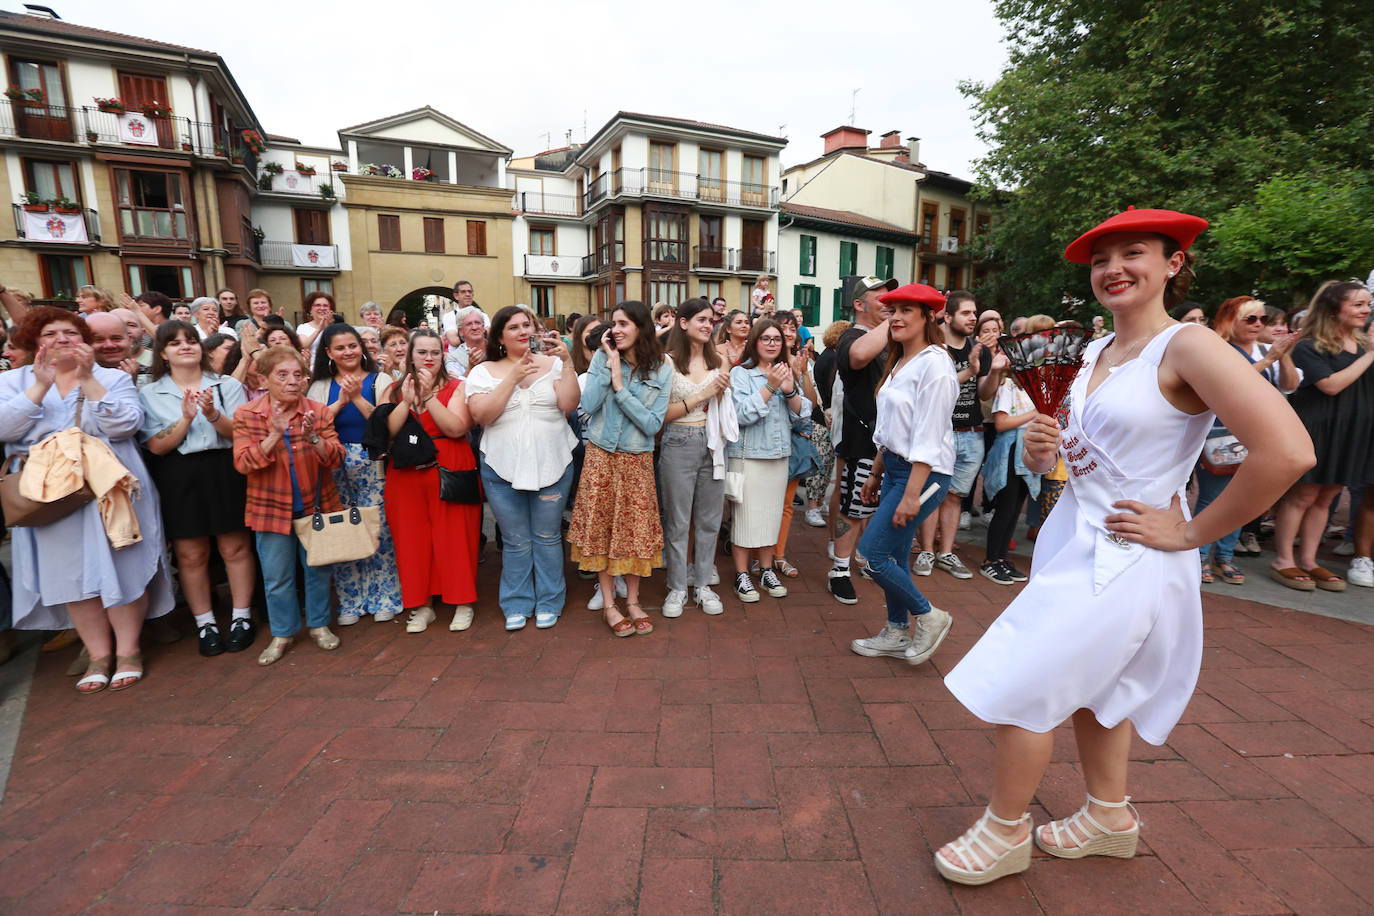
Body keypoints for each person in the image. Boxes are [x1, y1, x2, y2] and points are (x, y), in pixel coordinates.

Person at [935, 208, 1314, 886]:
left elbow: (1288, 451)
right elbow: (1087, 447)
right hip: (1073, 535)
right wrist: (1040, 443)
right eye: (1101, 258)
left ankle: (1004, 829)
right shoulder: (1095, 353)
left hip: (1130, 553)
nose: (1113, 268)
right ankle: (1109, 817)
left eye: (1133, 252)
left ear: (1174, 264)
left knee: (1024, 679)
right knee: (1097, 689)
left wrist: (1194, 533)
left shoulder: (1189, 347)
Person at [0, 307, 176, 692]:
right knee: (70, 574)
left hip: (109, 489)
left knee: (123, 565)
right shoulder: (13, 381)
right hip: (48, 496)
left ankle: (128, 649)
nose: (62, 339)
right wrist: (41, 386)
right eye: (51, 334)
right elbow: (4, 427)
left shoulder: (111, 377)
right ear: (34, 342)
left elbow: (125, 424)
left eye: (70, 333)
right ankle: (98, 654)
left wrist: (87, 381)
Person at [849, 283, 958, 663]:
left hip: (923, 476)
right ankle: (897, 632)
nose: (895, 317)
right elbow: (894, 428)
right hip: (896, 469)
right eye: (892, 310)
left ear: (929, 316)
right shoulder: (901, 360)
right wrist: (877, 472)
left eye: (906, 311)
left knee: (871, 557)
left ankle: (929, 616)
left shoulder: (936, 365)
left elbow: (927, 438)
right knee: (891, 558)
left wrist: (911, 494)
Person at [139, 321, 256, 656]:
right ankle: (205, 623)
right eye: (175, 343)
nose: (185, 346)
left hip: (224, 468)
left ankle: (241, 617)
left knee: (234, 547)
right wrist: (187, 418)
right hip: (178, 472)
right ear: (163, 352)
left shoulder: (225, 386)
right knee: (192, 554)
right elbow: (157, 447)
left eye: (191, 341)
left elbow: (239, 433)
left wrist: (212, 414)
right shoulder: (149, 392)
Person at [466, 307, 580, 629]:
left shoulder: (554, 364)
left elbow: (569, 405)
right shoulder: (483, 371)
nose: (521, 331)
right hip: (501, 467)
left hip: (554, 462)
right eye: (513, 327)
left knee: (546, 536)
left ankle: (549, 601)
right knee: (516, 540)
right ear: (500, 336)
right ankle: (516, 602)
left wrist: (569, 365)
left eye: (525, 325)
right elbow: (482, 417)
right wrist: (513, 378)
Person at [233, 346, 345, 666]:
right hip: (269, 509)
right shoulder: (248, 414)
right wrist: (273, 436)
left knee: (318, 571)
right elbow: (243, 464)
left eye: (298, 374)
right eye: (282, 375)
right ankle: (282, 633)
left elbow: (337, 459)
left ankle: (319, 626)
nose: (292, 381)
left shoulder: (318, 412)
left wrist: (315, 440)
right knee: (277, 577)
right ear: (264, 379)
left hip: (316, 506)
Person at [568, 301, 672, 636]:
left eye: (624, 323)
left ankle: (634, 601)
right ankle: (610, 604)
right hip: (601, 455)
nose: (616, 329)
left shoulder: (662, 367)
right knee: (601, 530)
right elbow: (588, 406)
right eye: (614, 323)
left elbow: (652, 424)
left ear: (642, 327)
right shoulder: (601, 357)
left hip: (636, 457)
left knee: (634, 533)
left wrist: (620, 387)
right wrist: (610, 367)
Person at [1270, 280, 1374, 591]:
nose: (1365, 310)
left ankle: (1309, 560)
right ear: (1333, 308)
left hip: (1353, 432)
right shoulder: (1308, 345)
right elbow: (1330, 385)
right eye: (1357, 304)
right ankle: (1283, 559)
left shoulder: (1362, 344)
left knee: (1328, 496)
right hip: (1318, 429)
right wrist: (1371, 355)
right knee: (1303, 495)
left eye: (1367, 304)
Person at [382, 329, 481, 632]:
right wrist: (407, 402)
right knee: (412, 539)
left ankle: (462, 601)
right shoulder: (395, 390)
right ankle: (422, 604)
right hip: (405, 471)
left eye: (435, 352)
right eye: (422, 352)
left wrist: (428, 399)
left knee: (454, 535)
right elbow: (386, 432)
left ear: (443, 355)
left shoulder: (456, 387)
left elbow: (456, 428)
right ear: (410, 355)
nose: (428, 358)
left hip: (448, 464)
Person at [307, 323, 403, 624]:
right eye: (340, 348)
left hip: (372, 460)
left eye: (353, 345)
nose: (348, 352)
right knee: (341, 528)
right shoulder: (320, 386)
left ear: (361, 347)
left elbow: (385, 425)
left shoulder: (381, 379)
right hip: (334, 461)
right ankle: (351, 600)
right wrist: (341, 400)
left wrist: (358, 397)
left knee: (377, 527)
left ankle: (386, 595)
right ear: (328, 353)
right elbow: (316, 425)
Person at [916, 291, 1002, 580]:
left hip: (971, 432)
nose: (973, 318)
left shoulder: (980, 349)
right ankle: (927, 551)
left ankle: (946, 553)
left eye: (974, 312)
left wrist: (996, 373)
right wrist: (970, 371)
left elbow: (984, 394)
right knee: (932, 495)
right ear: (948, 316)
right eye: (966, 313)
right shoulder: (931, 348)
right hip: (940, 432)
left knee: (954, 497)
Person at [727, 318, 811, 602]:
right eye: (766, 338)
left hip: (778, 455)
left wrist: (789, 389)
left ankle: (765, 569)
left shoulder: (786, 371)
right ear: (755, 342)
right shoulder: (741, 374)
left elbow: (802, 416)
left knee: (771, 517)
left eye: (777, 339)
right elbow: (739, 416)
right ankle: (741, 574)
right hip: (748, 456)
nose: (772, 343)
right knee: (746, 518)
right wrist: (771, 387)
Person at [658, 298, 732, 617]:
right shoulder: (666, 362)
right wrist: (701, 396)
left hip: (714, 442)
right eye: (701, 319)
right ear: (683, 323)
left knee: (709, 519)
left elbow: (728, 409)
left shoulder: (720, 362)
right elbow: (660, 415)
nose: (708, 325)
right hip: (678, 441)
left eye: (711, 320)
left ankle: (702, 584)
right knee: (677, 521)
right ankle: (677, 587)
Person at [828, 275, 898, 604]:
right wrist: (894, 321)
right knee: (852, 506)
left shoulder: (887, 336)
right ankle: (839, 570)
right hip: (860, 435)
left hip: (884, 437)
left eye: (892, 297)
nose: (889, 302)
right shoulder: (852, 335)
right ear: (859, 304)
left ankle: (859, 557)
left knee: (865, 504)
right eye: (881, 297)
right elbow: (857, 357)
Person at [980, 314, 1055, 585]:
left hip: (1030, 453)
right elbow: (1001, 423)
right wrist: (1036, 412)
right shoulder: (1011, 382)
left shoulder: (1043, 381)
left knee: (1016, 509)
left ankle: (1001, 558)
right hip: (1011, 452)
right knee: (1006, 506)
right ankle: (991, 559)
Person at [765, 310, 817, 580]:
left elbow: (812, 403)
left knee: (786, 504)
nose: (788, 331)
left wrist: (804, 373)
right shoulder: (763, 362)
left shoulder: (800, 361)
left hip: (793, 442)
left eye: (792, 327)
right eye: (782, 327)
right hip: (766, 443)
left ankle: (779, 555)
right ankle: (758, 557)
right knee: (763, 503)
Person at [444, 307, 488, 379]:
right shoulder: (454, 358)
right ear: (460, 331)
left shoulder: (496, 349)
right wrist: (470, 368)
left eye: (477, 323)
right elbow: (456, 386)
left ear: (483, 328)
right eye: (469, 324)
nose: (474, 327)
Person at [296, 291, 336, 360]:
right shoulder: (303, 327)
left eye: (325, 305)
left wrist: (329, 327)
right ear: (310, 309)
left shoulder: (336, 327)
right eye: (318, 305)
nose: (322, 308)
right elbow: (304, 345)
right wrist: (319, 329)